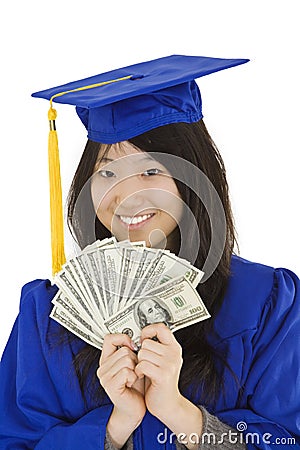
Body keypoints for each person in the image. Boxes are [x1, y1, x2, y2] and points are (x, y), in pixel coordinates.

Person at [0, 55, 299, 450]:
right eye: (106, 171)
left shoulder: (266, 302)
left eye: (151, 171)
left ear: (194, 176)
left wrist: (179, 413)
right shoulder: (46, 314)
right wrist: (115, 426)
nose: (125, 195)